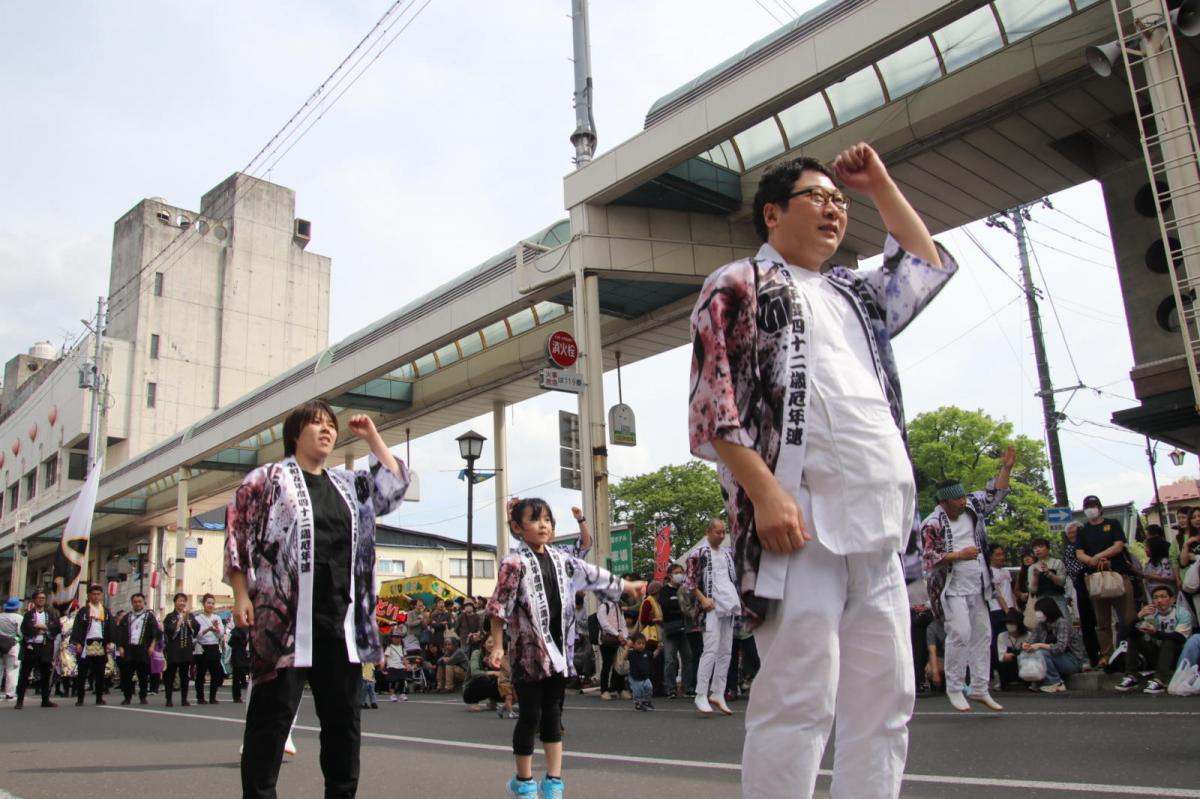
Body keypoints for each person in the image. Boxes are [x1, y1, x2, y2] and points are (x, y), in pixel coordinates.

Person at [689, 145, 957, 799]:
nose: (835, 209)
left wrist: (881, 187)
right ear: (773, 213)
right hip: (800, 516)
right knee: (799, 697)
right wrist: (766, 494)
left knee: (886, 701)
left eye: (840, 201)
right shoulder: (739, 282)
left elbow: (921, 265)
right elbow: (713, 404)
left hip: (880, 520)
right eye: (819, 197)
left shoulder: (852, 291)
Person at [225, 401, 410, 799]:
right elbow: (238, 533)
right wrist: (240, 594)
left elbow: (393, 488)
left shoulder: (348, 485)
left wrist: (372, 437)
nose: (327, 430)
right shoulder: (268, 479)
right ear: (295, 432)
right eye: (316, 423)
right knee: (270, 723)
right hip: (284, 625)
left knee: (344, 725)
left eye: (331, 424)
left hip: (341, 625)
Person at [486, 497, 645, 799]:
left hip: (559, 652)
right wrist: (497, 645)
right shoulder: (513, 563)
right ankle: (524, 782)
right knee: (530, 715)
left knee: (552, 715)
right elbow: (498, 606)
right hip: (529, 654)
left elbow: (592, 573)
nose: (543, 525)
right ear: (517, 527)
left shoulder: (562, 559)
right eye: (535, 519)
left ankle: (554, 781)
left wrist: (626, 586)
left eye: (547, 519)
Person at [922, 448, 1015, 713]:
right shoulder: (933, 523)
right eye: (957, 498)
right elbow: (928, 558)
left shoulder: (973, 506)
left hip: (978, 583)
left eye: (963, 496)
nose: (963, 501)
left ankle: (980, 687)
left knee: (983, 636)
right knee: (960, 633)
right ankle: (954, 687)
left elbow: (996, 493)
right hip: (951, 588)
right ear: (944, 502)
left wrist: (1006, 468)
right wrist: (958, 555)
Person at [1075, 495, 1137, 665]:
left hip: (1118, 574)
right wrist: (1092, 561)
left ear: (1100, 508)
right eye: (1087, 506)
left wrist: (1099, 556)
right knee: (1102, 622)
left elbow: (1118, 546)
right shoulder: (1083, 530)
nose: (1090, 509)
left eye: (1093, 506)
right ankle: (1107, 655)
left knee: (1128, 619)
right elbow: (1079, 553)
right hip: (1097, 578)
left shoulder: (1113, 524)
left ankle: (1133, 652)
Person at [685, 518, 737, 716]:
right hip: (710, 606)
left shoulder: (727, 553)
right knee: (711, 650)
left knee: (726, 651)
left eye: (724, 532)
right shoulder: (698, 554)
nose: (722, 535)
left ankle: (718, 692)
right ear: (708, 531)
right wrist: (703, 599)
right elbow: (689, 582)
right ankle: (701, 693)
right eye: (718, 532)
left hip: (728, 603)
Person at [1117, 584, 1194, 695]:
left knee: (1169, 641)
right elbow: (1127, 634)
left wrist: (1156, 633)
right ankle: (1131, 676)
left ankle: (1160, 680)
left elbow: (1180, 637)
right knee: (1134, 637)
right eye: (1156, 597)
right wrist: (1139, 616)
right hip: (1157, 654)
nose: (1159, 600)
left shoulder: (1182, 613)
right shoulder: (1151, 614)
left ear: (1172, 599)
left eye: (1163, 597)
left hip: (1177, 654)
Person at [1023, 596, 1087, 693]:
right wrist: (1026, 645)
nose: (1037, 614)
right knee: (1032, 653)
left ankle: (1056, 683)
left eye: (1039, 611)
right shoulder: (1041, 625)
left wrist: (1040, 645)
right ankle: (1038, 682)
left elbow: (1060, 648)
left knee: (1041, 653)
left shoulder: (1062, 623)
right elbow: (1030, 640)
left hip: (1072, 660)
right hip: (1056, 659)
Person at [70, 584, 115, 705]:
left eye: (98, 594)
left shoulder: (105, 611)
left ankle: (99, 697)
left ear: (101, 596)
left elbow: (111, 628)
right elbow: (77, 627)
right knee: (82, 673)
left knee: (100, 673)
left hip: (100, 644)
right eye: (93, 594)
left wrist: (110, 642)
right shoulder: (83, 611)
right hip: (86, 644)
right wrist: (77, 642)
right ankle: (80, 698)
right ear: (89, 595)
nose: (96, 596)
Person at [14, 590, 60, 709]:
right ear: (34, 600)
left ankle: (45, 699)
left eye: (43, 598)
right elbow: (25, 628)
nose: (41, 600)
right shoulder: (28, 615)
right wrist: (38, 629)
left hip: (45, 647)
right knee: (24, 674)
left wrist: (45, 627)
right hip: (31, 647)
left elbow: (56, 627)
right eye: (39, 598)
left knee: (45, 674)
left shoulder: (50, 614)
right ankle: (19, 701)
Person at [1063, 522, 1100, 664]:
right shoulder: (1069, 550)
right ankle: (1093, 657)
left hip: (1097, 585)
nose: (1072, 535)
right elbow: (1073, 569)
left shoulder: (1091, 545)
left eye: (1075, 532)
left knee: (1101, 620)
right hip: (1081, 587)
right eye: (1069, 533)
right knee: (1087, 623)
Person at [116, 592, 160, 706]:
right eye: (135, 602)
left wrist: (152, 646)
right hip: (129, 649)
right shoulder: (127, 617)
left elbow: (156, 633)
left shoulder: (149, 617)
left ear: (143, 602)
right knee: (127, 675)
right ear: (132, 603)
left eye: (140, 601)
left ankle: (143, 696)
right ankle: (127, 697)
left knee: (143, 675)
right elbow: (120, 633)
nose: (137, 604)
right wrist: (120, 647)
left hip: (143, 649)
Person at [659, 562, 692, 698]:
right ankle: (671, 688)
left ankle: (688, 687)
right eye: (676, 573)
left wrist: (679, 607)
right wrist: (681, 608)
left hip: (686, 629)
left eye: (681, 572)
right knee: (670, 659)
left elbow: (691, 606)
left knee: (688, 658)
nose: (680, 575)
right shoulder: (664, 591)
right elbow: (666, 608)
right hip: (670, 629)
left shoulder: (687, 589)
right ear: (670, 576)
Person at [161, 592, 199, 707]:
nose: (182, 603)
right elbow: (169, 631)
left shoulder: (190, 616)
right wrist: (180, 621)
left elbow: (196, 629)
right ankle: (168, 699)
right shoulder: (170, 616)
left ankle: (184, 699)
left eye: (184, 601)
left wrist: (188, 622)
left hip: (186, 649)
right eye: (180, 601)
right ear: (175, 602)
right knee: (170, 675)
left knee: (184, 675)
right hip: (173, 650)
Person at [987, 545, 1013, 688]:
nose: (1001, 557)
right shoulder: (989, 572)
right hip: (997, 611)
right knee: (997, 644)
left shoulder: (1006, 571)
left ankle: (1009, 675)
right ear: (990, 556)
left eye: (1002, 554)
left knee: (1010, 643)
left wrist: (1014, 609)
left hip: (1010, 610)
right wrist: (1007, 611)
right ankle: (997, 675)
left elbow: (1010, 592)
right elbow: (997, 594)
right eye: (998, 554)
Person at [193, 593, 226, 705]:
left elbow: (221, 634)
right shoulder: (197, 618)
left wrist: (216, 629)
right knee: (201, 674)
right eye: (208, 603)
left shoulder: (217, 617)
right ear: (203, 604)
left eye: (212, 603)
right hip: (202, 648)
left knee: (215, 674)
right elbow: (196, 635)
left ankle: (213, 697)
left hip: (214, 647)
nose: (210, 605)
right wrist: (208, 629)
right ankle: (200, 697)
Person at [1028, 537, 1069, 618]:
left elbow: (1062, 582)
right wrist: (1036, 577)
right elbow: (1032, 590)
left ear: (1048, 549)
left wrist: (1049, 574)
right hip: (1041, 601)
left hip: (1058, 600)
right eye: (1035, 548)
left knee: (1063, 622)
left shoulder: (1057, 563)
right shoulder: (1032, 568)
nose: (1037, 550)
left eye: (1041, 546)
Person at [596, 593, 626, 701]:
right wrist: (618, 635)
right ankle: (604, 690)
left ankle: (619, 689)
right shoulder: (603, 607)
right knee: (607, 665)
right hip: (607, 641)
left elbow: (622, 623)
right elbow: (605, 625)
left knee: (620, 664)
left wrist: (624, 636)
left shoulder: (618, 607)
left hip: (618, 639)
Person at [995, 609, 1027, 689]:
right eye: (1008, 623)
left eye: (1012, 623)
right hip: (1008, 664)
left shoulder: (1028, 636)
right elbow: (1000, 656)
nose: (1009, 625)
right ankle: (1004, 683)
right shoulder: (1002, 636)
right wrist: (1005, 656)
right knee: (1001, 663)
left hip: (1023, 663)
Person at [1141, 536, 1177, 601]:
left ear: (1154, 548)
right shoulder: (1150, 562)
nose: (1145, 550)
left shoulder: (1164, 561)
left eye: (1147, 547)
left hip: (1165, 597)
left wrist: (1151, 576)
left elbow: (1170, 577)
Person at [626, 633, 654, 712]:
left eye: (643, 643)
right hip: (635, 677)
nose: (641, 645)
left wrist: (659, 649)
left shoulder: (646, 652)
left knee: (649, 687)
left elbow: (653, 655)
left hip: (645, 676)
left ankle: (646, 701)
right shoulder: (632, 653)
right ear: (633, 644)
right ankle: (637, 703)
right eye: (638, 643)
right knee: (638, 691)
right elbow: (624, 657)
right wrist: (627, 647)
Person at [0, 597, 21, 701]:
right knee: (11, 670)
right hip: (12, 644)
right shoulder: (18, 618)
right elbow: (20, 633)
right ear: (17, 608)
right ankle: (10, 693)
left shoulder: (0, 616)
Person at [228, 623, 252, 703]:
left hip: (249, 654)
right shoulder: (238, 629)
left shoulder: (253, 628)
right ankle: (236, 696)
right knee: (237, 675)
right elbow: (230, 642)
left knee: (249, 673)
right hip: (239, 654)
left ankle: (246, 688)